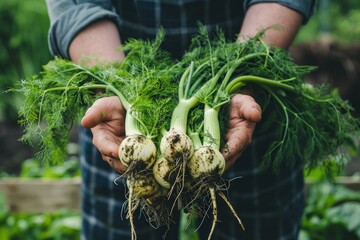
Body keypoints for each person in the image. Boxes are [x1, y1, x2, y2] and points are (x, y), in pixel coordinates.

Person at [45, 1, 315, 239]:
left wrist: (240, 79)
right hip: (118, 115)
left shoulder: (190, 136)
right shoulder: (142, 144)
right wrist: (113, 84)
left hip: (242, 109)